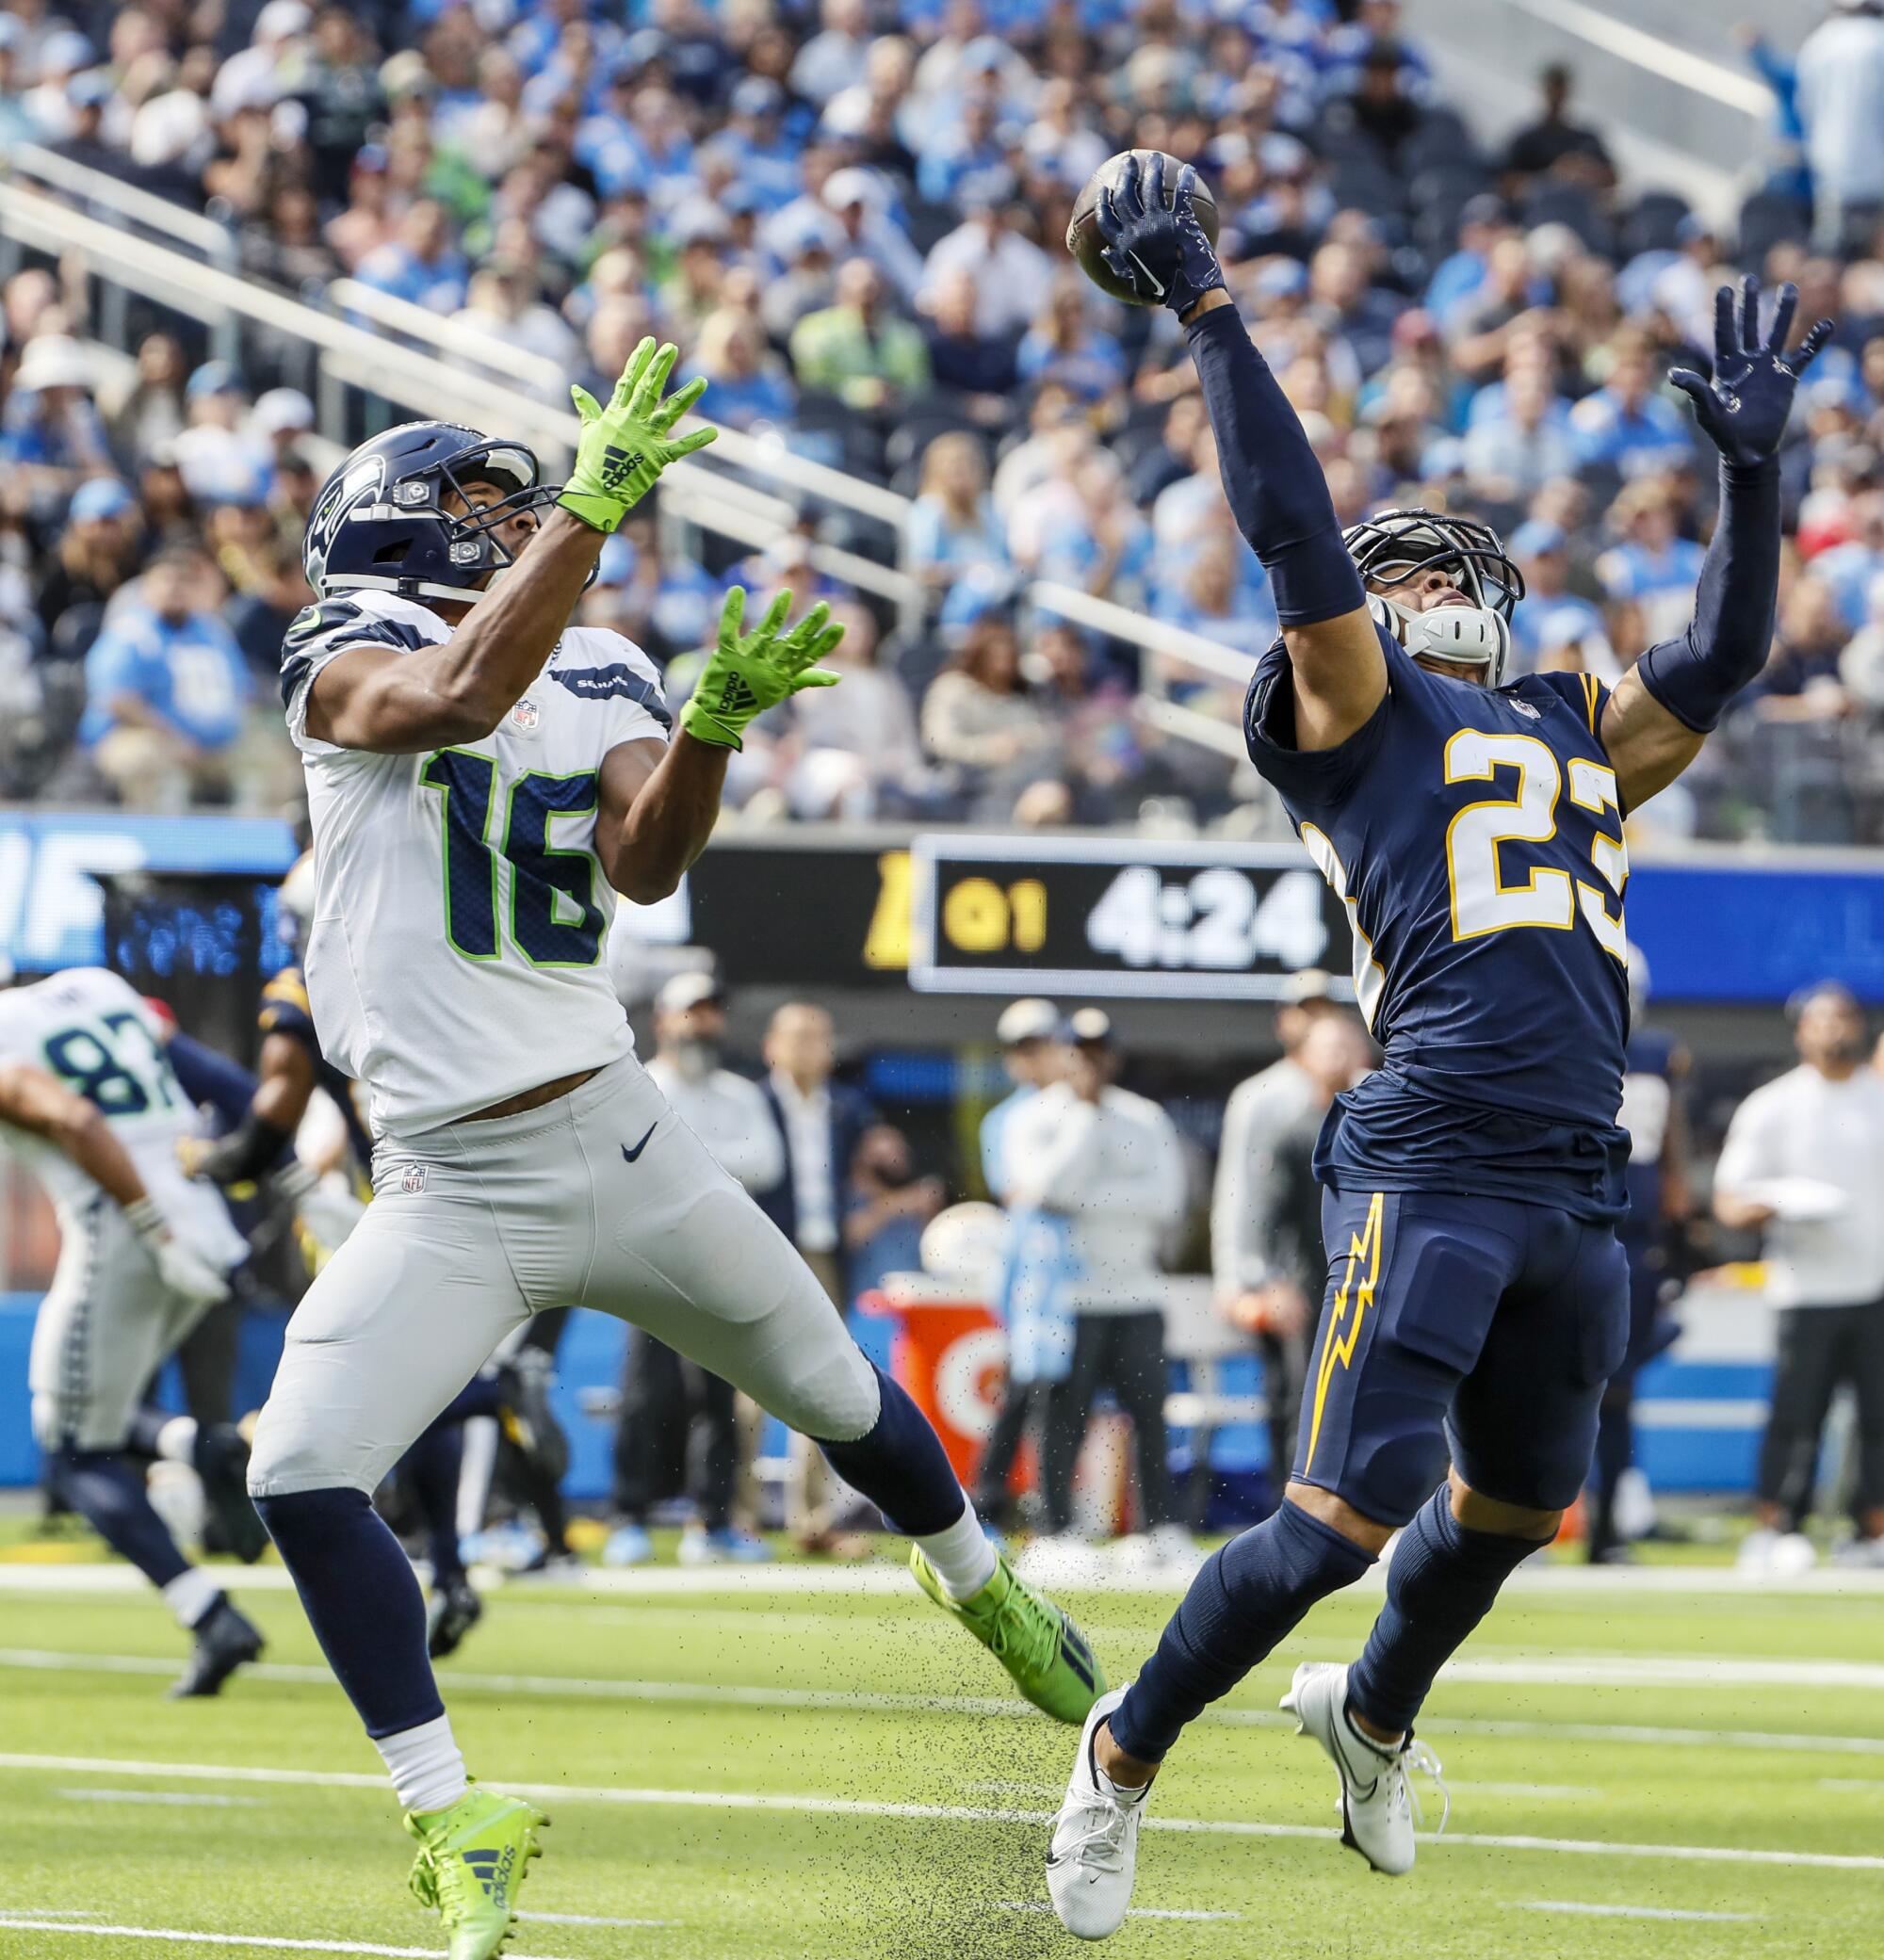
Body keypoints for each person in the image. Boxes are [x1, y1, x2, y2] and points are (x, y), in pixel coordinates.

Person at [1045, 155, 1830, 1935]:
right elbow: (1295, 538)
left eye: (1422, 563)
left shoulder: (1571, 723)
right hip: (1434, 1144)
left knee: (1511, 1510)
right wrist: (1211, 311)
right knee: (1340, 1514)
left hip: (1573, 1167)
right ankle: (1123, 1752)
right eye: (1377, 570)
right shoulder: (1351, 711)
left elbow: (1719, 652)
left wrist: (1751, 471)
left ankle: (1373, 1716)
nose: (1389, 581)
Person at [246, 344, 1103, 1956]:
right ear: (394, 528)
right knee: (295, 1471)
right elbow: (453, 698)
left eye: (523, 505)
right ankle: (454, 1816)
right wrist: (590, 504)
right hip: (445, 1182)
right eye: (481, 506)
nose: (514, 527)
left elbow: (644, 861)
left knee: (846, 1399)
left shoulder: (602, 656)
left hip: (620, 1130)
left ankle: (981, 1584)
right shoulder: (346, 645)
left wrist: (706, 722)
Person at [0, 966, 262, 1697]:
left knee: (73, 1453)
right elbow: (217, 1083)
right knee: (100, 1419)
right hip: (204, 1219)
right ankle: (207, 1449)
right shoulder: (99, 985)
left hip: (129, 1232)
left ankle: (209, 1616)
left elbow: (78, 1121)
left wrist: (152, 1227)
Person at [1002, 1009, 1188, 1574]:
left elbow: (1167, 1200)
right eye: (1077, 1050)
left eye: (1098, 1050)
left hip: (1136, 1291)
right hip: (1067, 1298)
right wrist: (1083, 1118)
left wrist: (1086, 1201)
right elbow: (1043, 1189)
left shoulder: (1145, 1116)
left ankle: (1161, 1529)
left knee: (1149, 1416)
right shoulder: (1032, 1117)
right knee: (1062, 1417)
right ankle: (1056, 1530)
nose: (1089, 1062)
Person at [609, 969, 784, 1568]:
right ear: (662, 1020)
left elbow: (767, 1162)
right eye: (691, 1011)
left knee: (717, 1395)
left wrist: (686, 1162)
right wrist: (711, 1169)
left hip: (720, 1261)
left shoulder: (743, 1092)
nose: (702, 1023)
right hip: (648, 1261)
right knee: (645, 1392)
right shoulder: (635, 1085)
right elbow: (633, 1168)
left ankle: (710, 1522)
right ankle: (629, 1517)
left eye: (711, 1011)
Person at [1713, 981, 1884, 1571]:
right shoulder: (1774, 1105)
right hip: (1803, 1288)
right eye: (1824, 1018)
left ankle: (1872, 1532)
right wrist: (1782, 1203)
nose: (1837, 1028)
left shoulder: (1878, 1097)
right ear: (1801, 1031)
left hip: (1875, 1287)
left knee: (1878, 1418)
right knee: (1795, 1416)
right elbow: (1731, 1201)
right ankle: (1778, 1527)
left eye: (1847, 1017)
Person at [1214, 994, 1367, 1509]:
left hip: (1368, 1281)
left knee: (1369, 1399)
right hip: (1305, 1286)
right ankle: (1297, 1511)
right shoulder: (1283, 1121)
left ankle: (1365, 1509)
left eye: (1346, 1045)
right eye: (1327, 1047)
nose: (1337, 1056)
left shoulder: (1377, 1120)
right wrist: (1260, 1279)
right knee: (1299, 1402)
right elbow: (1255, 1208)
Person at [760, 999, 881, 1554]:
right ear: (772, 1046)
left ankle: (811, 1520)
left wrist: (872, 1206)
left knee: (820, 1383)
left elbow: (879, 1166)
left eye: (821, 1036)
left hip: (826, 1253)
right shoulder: (752, 1103)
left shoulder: (847, 1109)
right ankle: (735, 1519)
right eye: (800, 1036)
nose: (812, 1048)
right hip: (762, 1248)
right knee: (748, 1384)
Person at [1587, 946, 1690, 1563]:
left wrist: (1679, 1243)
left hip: (1633, 1240)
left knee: (1618, 1391)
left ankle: (1608, 1527)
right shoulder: (1555, 1041)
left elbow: (1671, 1154)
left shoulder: (1657, 1055)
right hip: (1570, 1228)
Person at [975, 996, 1071, 1531]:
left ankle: (1052, 1511)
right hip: (1033, 1275)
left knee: (1061, 1398)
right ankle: (992, 1503)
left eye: (1039, 1046)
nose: (1030, 1059)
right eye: (1021, 1050)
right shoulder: (1004, 1120)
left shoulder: (1082, 1107)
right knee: (1025, 1392)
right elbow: (1017, 1192)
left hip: (1082, 1275)